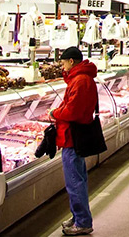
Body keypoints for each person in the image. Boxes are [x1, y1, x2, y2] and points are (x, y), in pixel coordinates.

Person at [50, 47, 99, 236]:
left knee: (74, 182)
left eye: (63, 63)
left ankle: (83, 222)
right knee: (77, 179)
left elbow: (73, 111)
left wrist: (54, 113)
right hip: (73, 135)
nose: (63, 67)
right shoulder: (80, 78)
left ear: (71, 61)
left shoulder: (80, 80)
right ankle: (78, 216)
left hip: (72, 136)